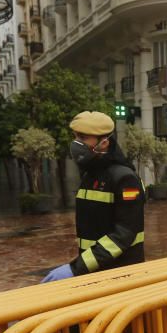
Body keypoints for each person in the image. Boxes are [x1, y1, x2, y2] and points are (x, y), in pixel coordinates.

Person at [43, 110, 146, 282]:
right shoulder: (91, 175)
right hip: (95, 271)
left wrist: (75, 268)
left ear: (104, 143)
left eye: (83, 138)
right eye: (75, 137)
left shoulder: (125, 178)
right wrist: (82, 268)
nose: (76, 143)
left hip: (121, 275)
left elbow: (124, 234)